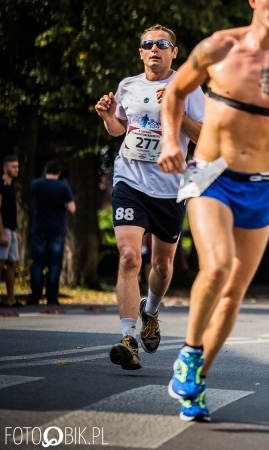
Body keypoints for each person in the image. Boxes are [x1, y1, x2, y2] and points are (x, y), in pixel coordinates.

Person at [157, 0, 269, 420]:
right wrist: (173, 141)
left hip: (262, 184)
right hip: (211, 175)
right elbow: (174, 93)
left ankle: (195, 382)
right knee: (216, 267)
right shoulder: (220, 46)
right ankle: (190, 353)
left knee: (234, 290)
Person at [95, 24, 205, 371]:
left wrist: (177, 111)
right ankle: (128, 338)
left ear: (174, 52)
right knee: (129, 257)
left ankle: (151, 311)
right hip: (130, 179)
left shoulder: (187, 88)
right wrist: (108, 117)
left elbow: (206, 136)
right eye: (147, 44)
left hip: (170, 188)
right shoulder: (128, 85)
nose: (154, 48)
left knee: (162, 265)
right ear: (141, 52)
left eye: (162, 44)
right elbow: (119, 128)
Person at [28, 160, 76, 306]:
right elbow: (72, 208)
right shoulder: (63, 186)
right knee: (54, 264)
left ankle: (35, 296)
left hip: (39, 227)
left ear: (45, 170)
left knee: (37, 263)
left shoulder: (36, 184)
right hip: (56, 229)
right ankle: (51, 296)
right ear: (59, 172)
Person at [0, 155, 21, 307]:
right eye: (13, 166)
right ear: (5, 167)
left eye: (17, 166)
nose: (16, 169)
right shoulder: (1, 185)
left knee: (13, 263)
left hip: (12, 229)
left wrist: (17, 230)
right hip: (3, 229)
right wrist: (1, 232)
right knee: (1, 262)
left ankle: (10, 298)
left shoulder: (12, 186)